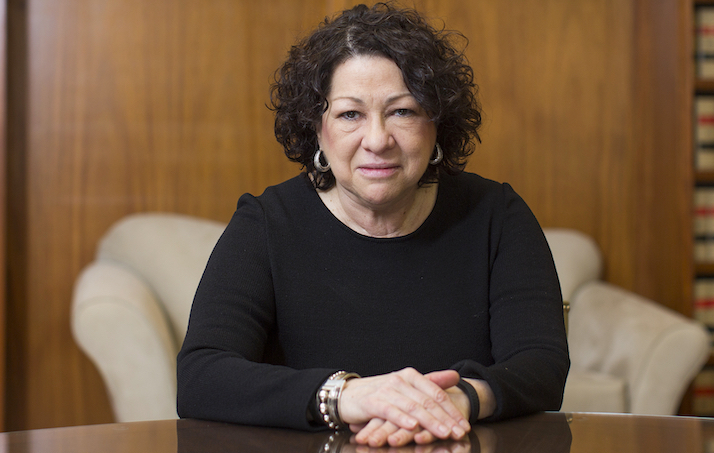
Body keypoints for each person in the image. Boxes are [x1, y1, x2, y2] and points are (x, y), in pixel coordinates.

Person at [176, 2, 569, 448]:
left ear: (437, 124)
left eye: (403, 111)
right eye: (350, 114)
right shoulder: (265, 225)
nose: (378, 140)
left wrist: (457, 400)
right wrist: (349, 395)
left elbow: (541, 364)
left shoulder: (498, 215)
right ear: (316, 128)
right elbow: (201, 377)